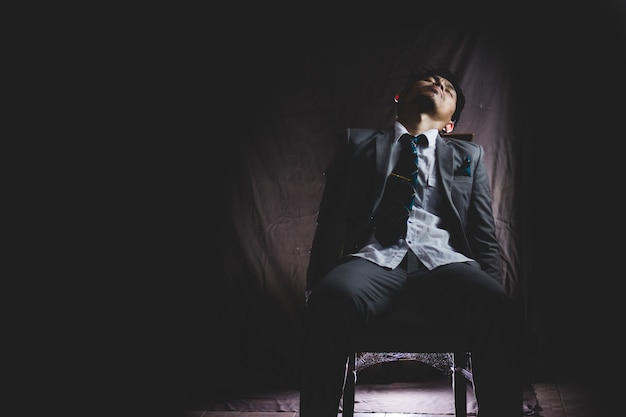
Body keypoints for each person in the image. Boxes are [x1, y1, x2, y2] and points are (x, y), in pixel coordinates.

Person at [299, 65, 522, 417]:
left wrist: (492, 288)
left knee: (494, 304)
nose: (438, 84)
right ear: (399, 100)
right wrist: (317, 283)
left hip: (444, 264)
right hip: (373, 260)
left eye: (447, 87)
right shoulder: (356, 143)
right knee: (330, 300)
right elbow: (332, 219)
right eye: (430, 81)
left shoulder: (468, 157)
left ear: (449, 125)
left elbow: (483, 234)